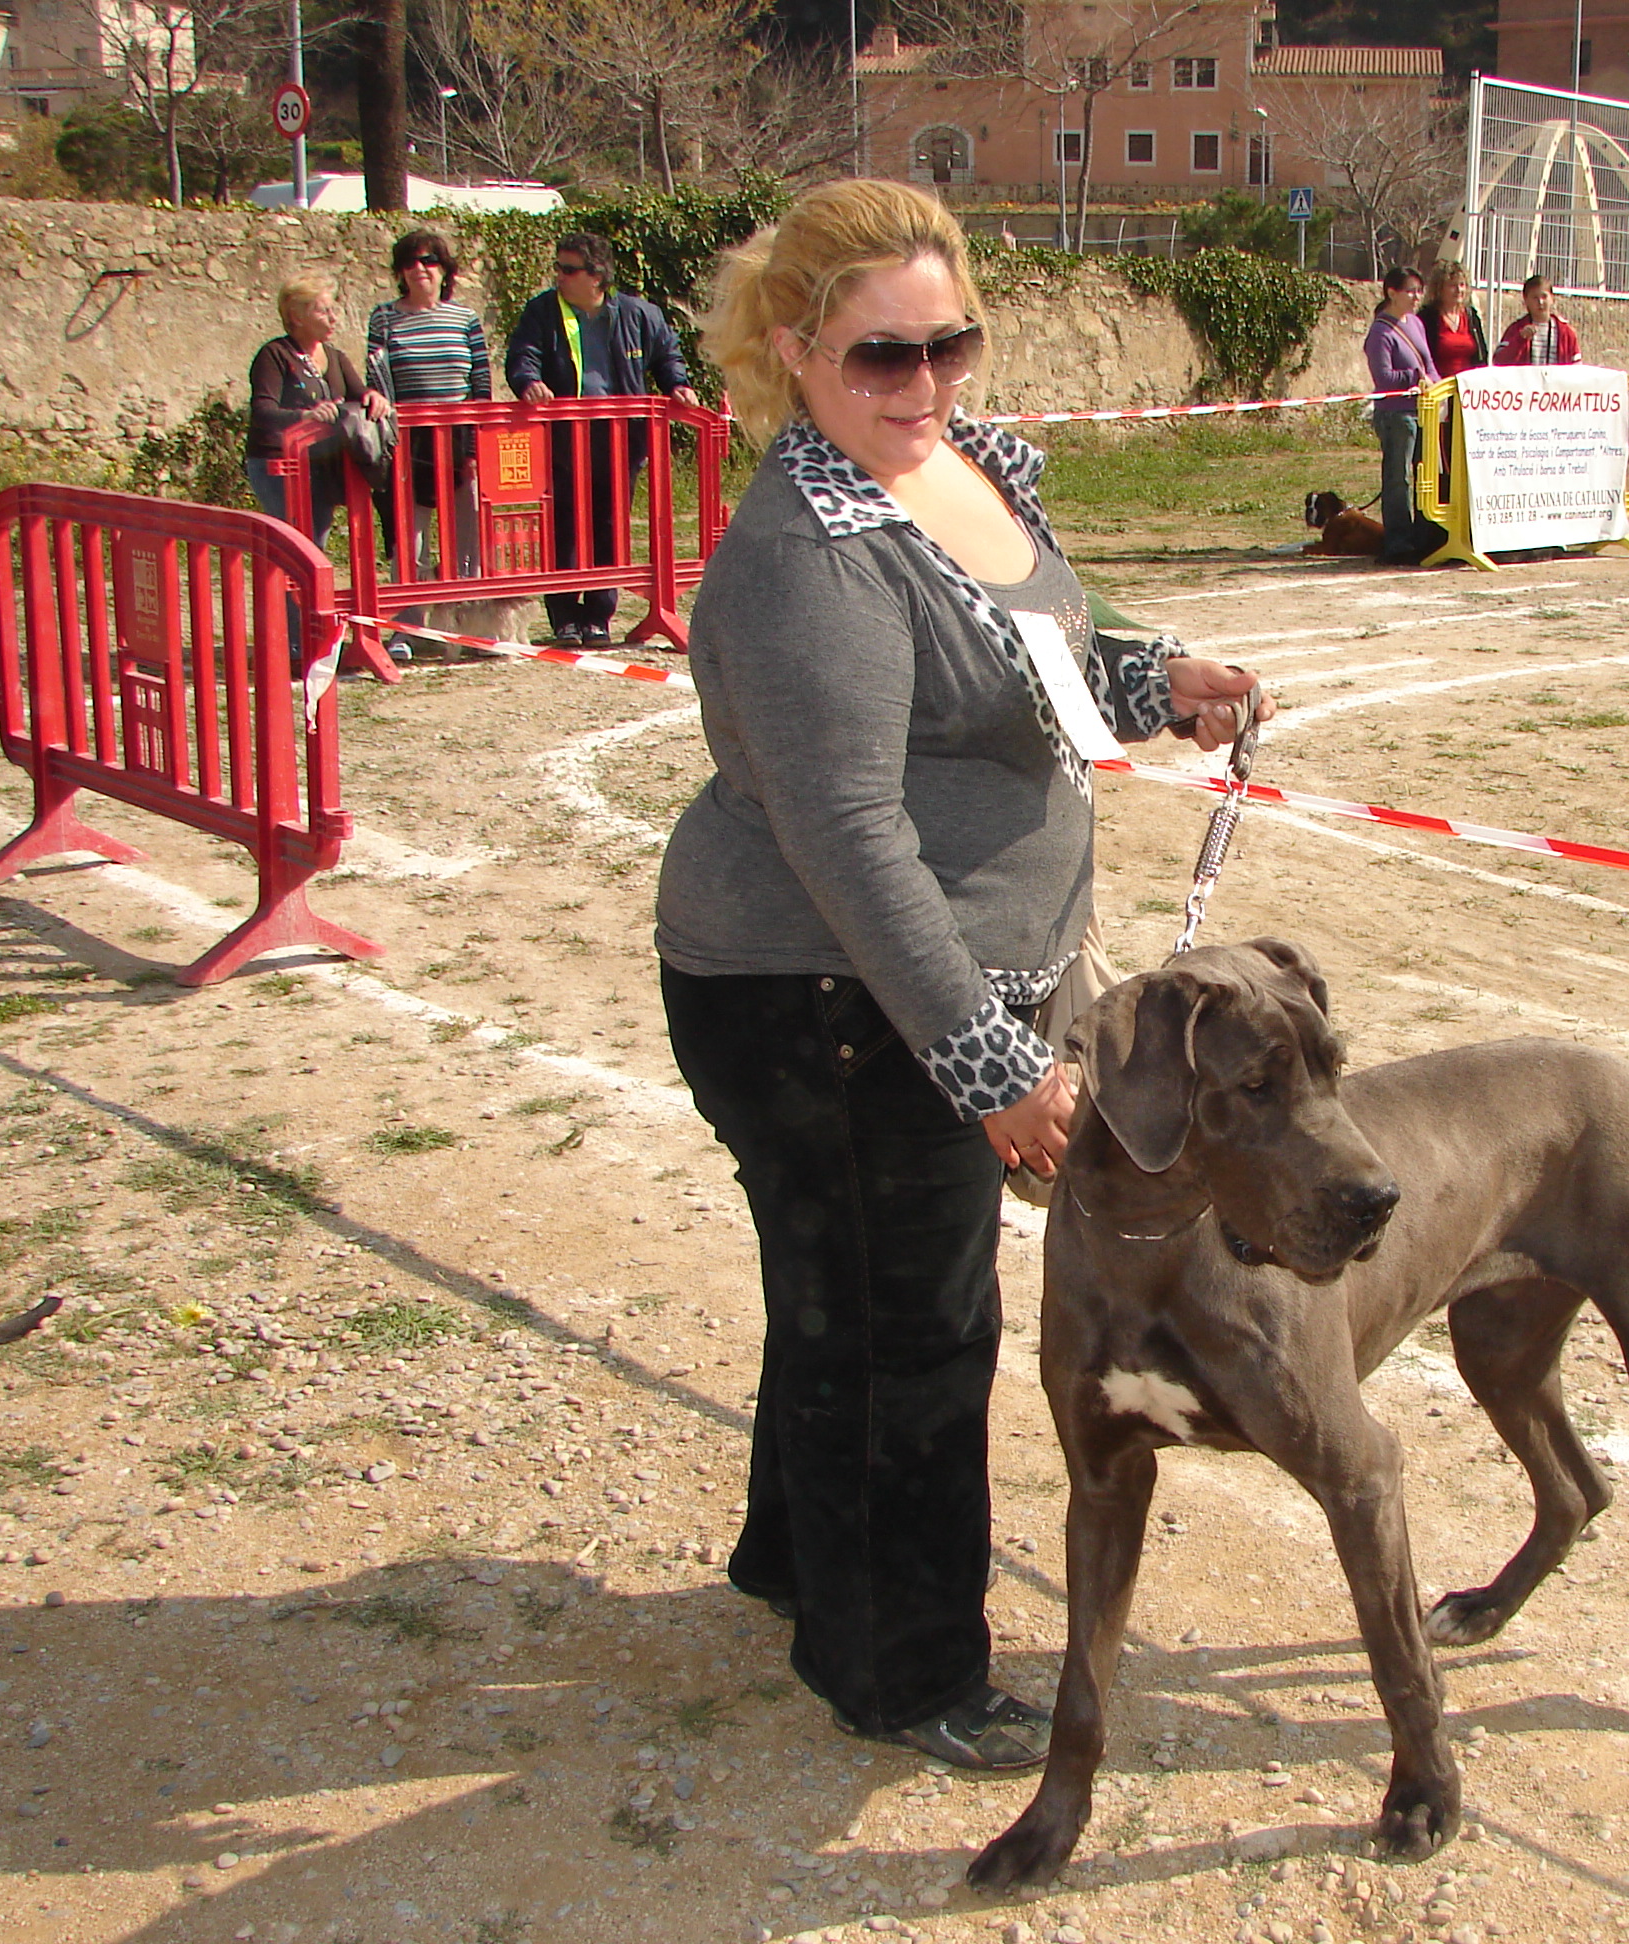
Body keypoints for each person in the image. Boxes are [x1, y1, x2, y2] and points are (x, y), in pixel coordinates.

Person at [663, 179, 1270, 1769]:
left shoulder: (959, 475)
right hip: (827, 1000)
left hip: (924, 981)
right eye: (881, 357)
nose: (924, 383)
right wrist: (990, 1068)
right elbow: (852, 839)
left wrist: (1158, 679)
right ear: (793, 349)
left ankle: (798, 1564)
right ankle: (901, 1669)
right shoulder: (805, 557)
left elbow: (1042, 660)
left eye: (951, 343)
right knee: (909, 1328)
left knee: (847, 1297)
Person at [502, 231, 700, 647]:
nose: (560, 276)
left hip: (619, 439)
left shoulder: (637, 314)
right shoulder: (542, 311)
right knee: (563, 526)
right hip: (560, 439)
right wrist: (528, 381)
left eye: (569, 269)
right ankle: (564, 618)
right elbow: (522, 354)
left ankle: (598, 617)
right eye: (558, 267)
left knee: (609, 525)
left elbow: (667, 354)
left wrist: (677, 385)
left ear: (597, 276)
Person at [366, 229, 492, 654]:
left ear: (444, 270)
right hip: (408, 441)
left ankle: (470, 625)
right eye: (410, 262)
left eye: (429, 261)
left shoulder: (466, 319)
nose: (420, 269)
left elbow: (480, 387)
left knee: (469, 539)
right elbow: (378, 378)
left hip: (459, 437)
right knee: (410, 541)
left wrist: (475, 449)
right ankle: (408, 628)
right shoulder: (383, 318)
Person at [245, 271, 389, 545]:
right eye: (323, 311)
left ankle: (308, 590)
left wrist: (374, 397)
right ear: (297, 317)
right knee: (294, 545)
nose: (334, 318)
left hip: (322, 463)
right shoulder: (275, 354)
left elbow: (359, 394)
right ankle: (288, 590)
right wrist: (305, 417)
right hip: (278, 462)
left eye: (333, 310)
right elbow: (263, 411)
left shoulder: (335, 356)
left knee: (316, 542)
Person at [1364, 265, 1440, 566]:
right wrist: (1414, 376)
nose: (1416, 296)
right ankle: (1397, 541)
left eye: (1418, 290)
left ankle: (1423, 536)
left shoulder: (1417, 324)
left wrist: (1433, 381)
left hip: (1423, 411)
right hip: (1396, 415)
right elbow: (1383, 377)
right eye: (1409, 290)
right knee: (1399, 478)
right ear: (1391, 293)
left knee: (1424, 476)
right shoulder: (1381, 332)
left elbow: (1429, 363)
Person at [1416, 262, 1490, 380]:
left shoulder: (1471, 316)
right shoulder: (1427, 317)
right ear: (1439, 288)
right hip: (1439, 388)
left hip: (1468, 388)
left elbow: (1482, 354)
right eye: (1452, 285)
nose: (1459, 290)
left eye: (1462, 284)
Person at [1495, 274, 1581, 366]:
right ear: (1526, 300)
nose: (1540, 302)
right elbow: (1499, 361)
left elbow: (1576, 368)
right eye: (1535, 298)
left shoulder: (1565, 332)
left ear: (1552, 298)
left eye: (1544, 296)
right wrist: (1520, 340)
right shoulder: (1516, 329)